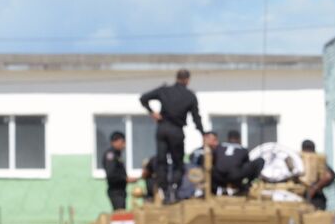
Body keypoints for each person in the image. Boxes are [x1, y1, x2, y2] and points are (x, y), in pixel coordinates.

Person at [139, 68, 204, 203]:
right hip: (176, 131)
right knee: (177, 163)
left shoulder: (165, 90)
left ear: (176, 78)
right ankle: (174, 190)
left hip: (162, 128)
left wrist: (152, 112)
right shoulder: (190, 95)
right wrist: (203, 133)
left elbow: (143, 98)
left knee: (161, 161)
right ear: (187, 80)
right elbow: (196, 118)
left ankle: (164, 190)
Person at [211, 130, 266, 194]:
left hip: (218, 177)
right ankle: (247, 186)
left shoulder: (219, 146)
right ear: (239, 139)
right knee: (260, 161)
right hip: (234, 176)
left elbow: (213, 160)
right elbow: (246, 164)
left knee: (212, 165)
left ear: (228, 138)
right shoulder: (243, 149)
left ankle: (213, 189)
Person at [101, 131, 134, 210]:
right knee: (120, 215)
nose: (124, 145)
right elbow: (111, 174)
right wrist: (125, 179)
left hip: (121, 190)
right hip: (116, 191)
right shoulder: (110, 155)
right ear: (115, 141)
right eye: (122, 142)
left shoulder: (117, 154)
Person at [300, 139, 335, 209]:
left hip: (313, 198)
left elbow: (328, 176)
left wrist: (314, 188)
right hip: (316, 199)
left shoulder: (300, 160)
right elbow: (329, 176)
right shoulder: (318, 161)